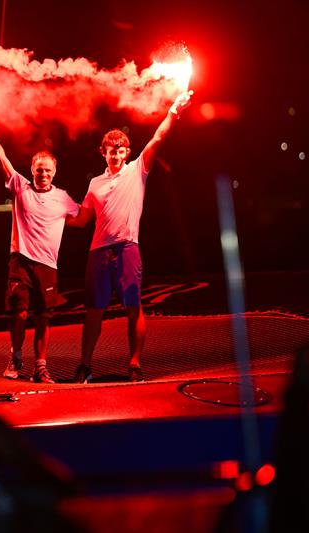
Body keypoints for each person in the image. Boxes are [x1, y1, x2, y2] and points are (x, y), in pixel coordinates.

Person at [69, 91, 193, 383]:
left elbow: (158, 138)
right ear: (103, 152)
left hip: (127, 249)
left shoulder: (138, 169)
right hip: (98, 252)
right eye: (111, 149)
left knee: (133, 307)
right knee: (93, 311)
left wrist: (174, 110)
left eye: (120, 149)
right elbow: (83, 219)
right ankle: (85, 365)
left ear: (127, 152)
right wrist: (48, 212)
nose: (116, 153)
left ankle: (134, 364)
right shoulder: (94, 183)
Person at [0, 105, 81, 384]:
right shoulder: (20, 186)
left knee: (43, 317)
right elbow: (1, 156)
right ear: (31, 170)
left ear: (54, 172)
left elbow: (83, 219)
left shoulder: (64, 199)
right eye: (38, 169)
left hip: (48, 266)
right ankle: (17, 355)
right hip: (20, 261)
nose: (42, 173)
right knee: (19, 314)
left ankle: (41, 367)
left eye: (47, 170)